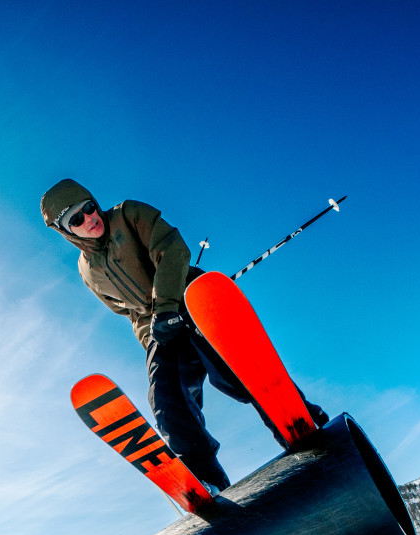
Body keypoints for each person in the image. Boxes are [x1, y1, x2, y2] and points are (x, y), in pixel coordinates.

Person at [41, 179, 326, 490]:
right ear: (64, 230)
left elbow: (171, 248)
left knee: (232, 370)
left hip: (191, 300)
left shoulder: (129, 214)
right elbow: (128, 312)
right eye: (76, 220)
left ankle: (297, 419)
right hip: (159, 329)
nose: (89, 219)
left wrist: (166, 306)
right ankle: (206, 478)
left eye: (89, 208)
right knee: (166, 397)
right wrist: (151, 338)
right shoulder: (88, 270)